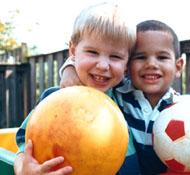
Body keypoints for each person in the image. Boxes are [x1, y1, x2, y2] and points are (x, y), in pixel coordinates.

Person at [60, 20, 190, 174]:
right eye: (141, 57)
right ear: (126, 65)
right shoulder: (114, 94)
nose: (151, 64)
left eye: (162, 57)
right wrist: (69, 69)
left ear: (178, 66)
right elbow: (88, 71)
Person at [14, 2, 140, 175]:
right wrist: (24, 170)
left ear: (127, 63)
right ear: (73, 51)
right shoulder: (55, 100)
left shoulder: (127, 98)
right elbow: (24, 145)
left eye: (115, 56)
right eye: (92, 52)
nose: (103, 65)